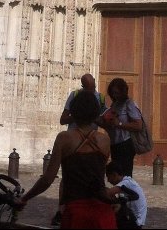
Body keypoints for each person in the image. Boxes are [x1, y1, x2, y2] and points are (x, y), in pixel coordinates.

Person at [16, 89, 115, 229]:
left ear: (74, 112)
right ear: (95, 112)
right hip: (102, 214)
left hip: (76, 211)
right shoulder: (104, 140)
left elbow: (47, 179)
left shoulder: (64, 138)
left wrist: (25, 198)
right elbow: (96, 176)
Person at [99, 78, 143, 177]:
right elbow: (112, 125)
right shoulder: (115, 104)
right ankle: (120, 191)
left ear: (123, 91)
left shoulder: (129, 104)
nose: (115, 95)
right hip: (115, 143)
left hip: (126, 144)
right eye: (113, 93)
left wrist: (119, 124)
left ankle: (127, 192)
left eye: (117, 92)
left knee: (125, 174)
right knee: (117, 174)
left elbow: (138, 125)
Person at [106, 162, 147, 227]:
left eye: (109, 177)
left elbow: (108, 193)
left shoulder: (125, 183)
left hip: (135, 221)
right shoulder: (128, 180)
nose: (108, 180)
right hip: (136, 219)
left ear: (114, 175)